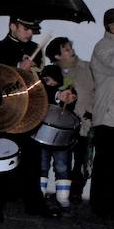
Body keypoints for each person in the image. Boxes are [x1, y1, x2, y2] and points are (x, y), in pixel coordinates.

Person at [0, 15, 52, 220]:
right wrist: (17, 70)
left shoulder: (35, 51)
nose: (30, 33)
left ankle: (34, 203)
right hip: (6, 114)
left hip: (29, 113)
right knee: (1, 159)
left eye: (32, 30)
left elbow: (37, 85)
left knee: (32, 159)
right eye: (25, 28)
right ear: (12, 26)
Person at [45, 36, 95, 203]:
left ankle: (75, 193)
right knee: (61, 161)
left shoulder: (88, 68)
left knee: (82, 160)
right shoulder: (52, 73)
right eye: (66, 49)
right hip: (61, 125)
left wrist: (92, 112)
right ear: (57, 56)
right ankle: (60, 192)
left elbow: (97, 92)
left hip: (85, 123)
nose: (71, 50)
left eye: (70, 47)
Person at [37, 57, 79, 214]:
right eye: (45, 80)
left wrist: (69, 97)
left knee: (62, 166)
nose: (48, 83)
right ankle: (39, 196)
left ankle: (63, 197)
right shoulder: (41, 92)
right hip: (42, 137)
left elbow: (70, 101)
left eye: (51, 80)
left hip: (61, 139)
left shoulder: (67, 93)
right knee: (41, 167)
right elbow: (47, 93)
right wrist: (56, 93)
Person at [90, 8, 114, 219]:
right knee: (105, 164)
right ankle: (100, 208)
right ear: (109, 26)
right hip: (107, 117)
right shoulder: (103, 47)